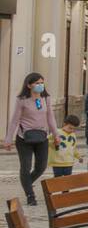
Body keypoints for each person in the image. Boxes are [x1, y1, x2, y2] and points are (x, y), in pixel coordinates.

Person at [3, 72, 59, 204]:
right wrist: (8, 139)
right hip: (24, 139)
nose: (40, 85)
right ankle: (30, 195)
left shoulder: (46, 98)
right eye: (37, 83)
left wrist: (56, 134)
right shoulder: (22, 99)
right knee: (25, 167)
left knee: (41, 167)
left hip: (42, 137)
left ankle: (27, 183)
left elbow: (50, 117)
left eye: (42, 82)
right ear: (29, 85)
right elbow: (14, 120)